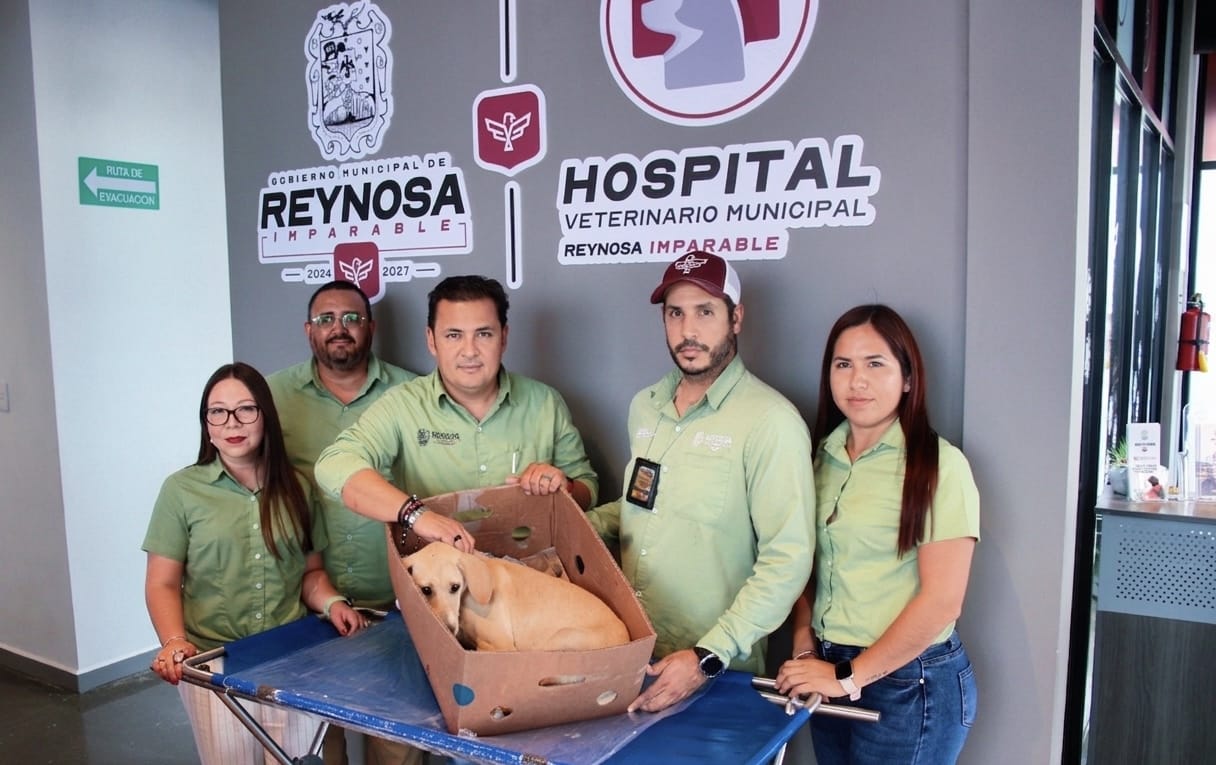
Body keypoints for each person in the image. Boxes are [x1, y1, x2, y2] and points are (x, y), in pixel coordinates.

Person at [585, 251, 815, 713]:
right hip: (633, 656)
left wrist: (708, 655)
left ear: (736, 318)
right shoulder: (646, 406)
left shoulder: (771, 421)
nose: (688, 330)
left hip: (718, 675)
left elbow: (787, 560)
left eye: (705, 312)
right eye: (675, 313)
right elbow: (640, 507)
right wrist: (568, 524)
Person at [775, 304, 981, 764]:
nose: (857, 381)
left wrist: (849, 677)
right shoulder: (818, 459)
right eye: (843, 364)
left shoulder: (940, 466)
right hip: (829, 669)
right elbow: (804, 560)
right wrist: (805, 640)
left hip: (910, 682)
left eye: (875, 364)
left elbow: (942, 601)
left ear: (907, 378)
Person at [143, 362, 368, 765]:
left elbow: (310, 573)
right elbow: (163, 583)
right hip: (214, 664)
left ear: (266, 416)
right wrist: (174, 640)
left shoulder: (298, 488)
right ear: (206, 424)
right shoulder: (180, 491)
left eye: (246, 409)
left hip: (292, 657)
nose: (232, 422)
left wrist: (333, 602)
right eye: (218, 411)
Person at [315, 274, 598, 552]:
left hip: (531, 571)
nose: (469, 351)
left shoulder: (545, 402)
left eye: (484, 334)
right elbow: (334, 464)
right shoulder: (402, 406)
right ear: (431, 340)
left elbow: (588, 488)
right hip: (437, 575)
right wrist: (416, 514)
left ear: (503, 338)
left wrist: (564, 486)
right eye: (453, 335)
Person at [265, 280, 418, 765]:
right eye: (326, 319)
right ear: (308, 330)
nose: (339, 328)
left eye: (352, 318)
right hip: (306, 599)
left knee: (396, 743)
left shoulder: (412, 393)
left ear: (371, 327)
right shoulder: (272, 396)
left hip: (394, 599)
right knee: (314, 742)